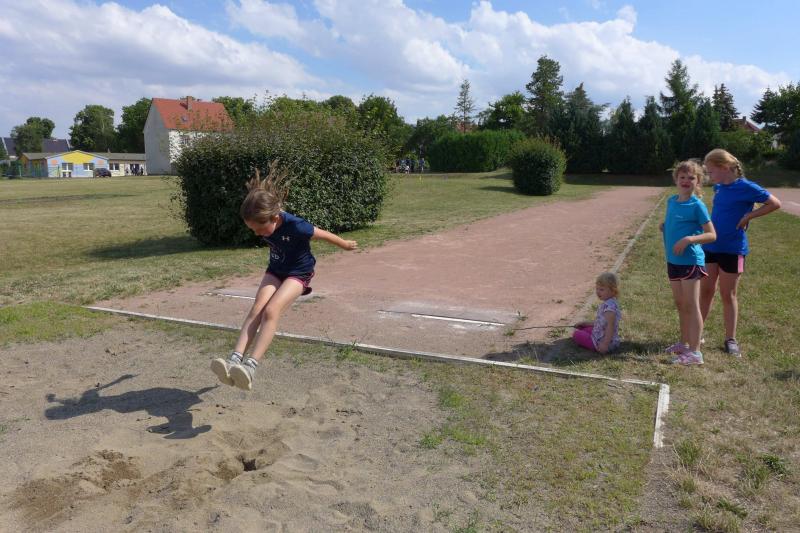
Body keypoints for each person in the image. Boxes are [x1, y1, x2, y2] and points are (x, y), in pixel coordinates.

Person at [211, 163, 358, 390]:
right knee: (257, 308)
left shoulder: (297, 226)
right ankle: (234, 360)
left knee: (271, 311)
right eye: (253, 230)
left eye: (260, 230)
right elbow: (264, 231)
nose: (257, 234)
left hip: (299, 272)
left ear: (275, 218)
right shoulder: (264, 220)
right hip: (276, 269)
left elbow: (323, 235)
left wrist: (345, 244)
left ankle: (250, 367)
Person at [699, 149, 781, 357]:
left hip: (733, 249)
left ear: (725, 167)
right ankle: (697, 332)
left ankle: (730, 339)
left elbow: (774, 203)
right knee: (706, 291)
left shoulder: (747, 187)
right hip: (710, 247)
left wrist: (748, 216)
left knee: (728, 294)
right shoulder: (718, 187)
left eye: (711, 171)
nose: (710, 176)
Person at [661, 160, 717, 365]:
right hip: (673, 260)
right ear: (676, 179)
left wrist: (689, 239)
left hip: (690, 262)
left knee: (692, 305)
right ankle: (684, 343)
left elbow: (711, 235)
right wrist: (665, 226)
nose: (686, 181)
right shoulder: (671, 201)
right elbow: (675, 223)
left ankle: (695, 352)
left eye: (691, 178)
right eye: (682, 177)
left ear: (698, 181)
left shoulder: (697, 205)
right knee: (681, 304)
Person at [572, 272, 622, 354]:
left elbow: (610, 328)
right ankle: (591, 335)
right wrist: (586, 323)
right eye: (597, 289)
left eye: (602, 289)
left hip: (604, 341)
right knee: (584, 329)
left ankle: (595, 345)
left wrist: (605, 344)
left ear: (613, 291)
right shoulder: (609, 303)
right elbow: (601, 322)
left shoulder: (610, 309)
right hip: (601, 333)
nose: (598, 292)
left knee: (576, 334)